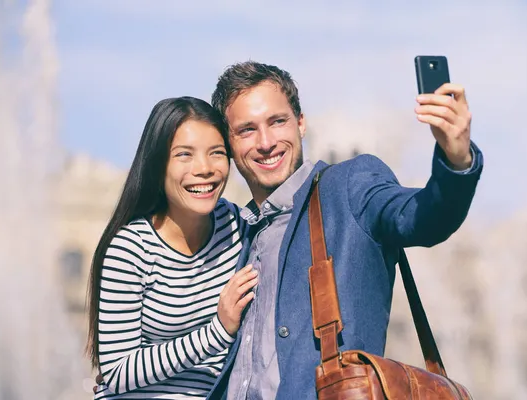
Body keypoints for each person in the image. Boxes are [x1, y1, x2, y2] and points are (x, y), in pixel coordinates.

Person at [206, 61, 484, 400]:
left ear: (301, 123)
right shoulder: (234, 230)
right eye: (247, 130)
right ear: (229, 144)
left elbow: (423, 218)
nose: (266, 142)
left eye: (277, 122)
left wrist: (456, 161)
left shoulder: (349, 186)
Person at [86, 97, 258, 399]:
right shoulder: (131, 248)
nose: (204, 168)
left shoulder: (238, 228)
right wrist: (218, 330)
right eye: (184, 155)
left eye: (216, 153)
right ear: (158, 164)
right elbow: (115, 371)